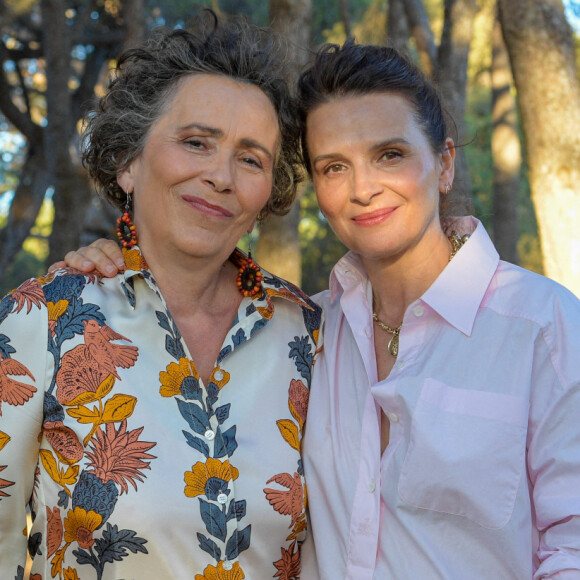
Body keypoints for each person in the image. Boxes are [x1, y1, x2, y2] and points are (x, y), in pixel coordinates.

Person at [55, 40, 580, 579]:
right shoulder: (304, 329)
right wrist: (122, 257)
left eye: (390, 155)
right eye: (333, 167)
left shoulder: (545, 326)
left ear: (444, 164)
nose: (364, 188)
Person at [0, 15, 322, 580]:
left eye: (251, 159)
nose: (222, 176)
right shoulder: (43, 320)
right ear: (128, 162)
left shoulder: (310, 335)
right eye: (196, 142)